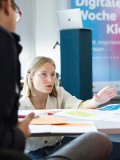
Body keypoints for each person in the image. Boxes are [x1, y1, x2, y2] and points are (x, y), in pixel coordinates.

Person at [19, 56, 117, 159]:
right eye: (44, 74)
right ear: (30, 77)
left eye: (53, 74)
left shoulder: (59, 93)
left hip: (58, 150)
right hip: (31, 154)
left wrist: (96, 101)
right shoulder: (19, 105)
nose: (50, 80)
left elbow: (79, 106)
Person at [0, 0, 34, 151]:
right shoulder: (4, 42)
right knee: (98, 141)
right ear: (7, 5)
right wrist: (20, 134)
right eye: (17, 15)